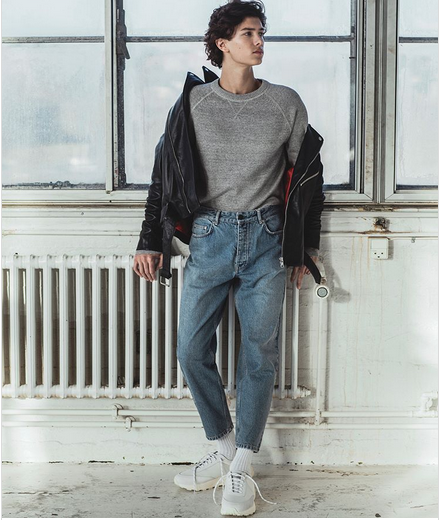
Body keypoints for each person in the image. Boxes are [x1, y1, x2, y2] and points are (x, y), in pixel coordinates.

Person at [133, 0, 325, 515]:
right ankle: (222, 447)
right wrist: (149, 240)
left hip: (267, 238)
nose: (259, 42)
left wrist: (304, 247)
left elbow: (310, 179)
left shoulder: (285, 103)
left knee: (259, 356)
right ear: (222, 44)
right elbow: (163, 178)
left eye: (261, 33)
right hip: (209, 236)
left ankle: (242, 465)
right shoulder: (192, 104)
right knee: (190, 350)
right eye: (248, 34)